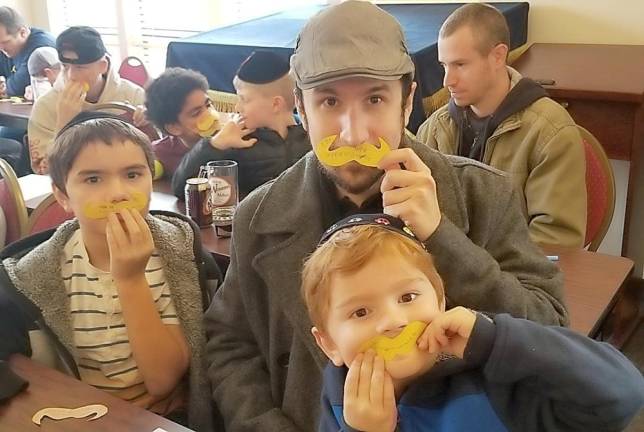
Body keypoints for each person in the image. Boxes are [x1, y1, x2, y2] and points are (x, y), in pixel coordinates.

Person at [204, 2, 568, 430]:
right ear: (300, 106)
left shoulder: (482, 194)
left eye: (375, 99)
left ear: (407, 100)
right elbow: (230, 345)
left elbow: (551, 332)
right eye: (328, 101)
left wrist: (443, 238)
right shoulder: (258, 216)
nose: (354, 133)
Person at [303, 213, 644, 432]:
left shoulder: (493, 380)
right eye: (360, 312)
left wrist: (495, 342)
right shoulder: (341, 406)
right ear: (329, 343)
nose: (394, 322)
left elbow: (622, 395)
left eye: (408, 298)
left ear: (440, 302)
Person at [0, 112, 221, 431]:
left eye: (132, 174)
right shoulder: (33, 275)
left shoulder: (176, 256)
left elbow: (163, 382)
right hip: (78, 415)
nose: (118, 193)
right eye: (93, 179)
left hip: (163, 416)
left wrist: (130, 278)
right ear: (63, 196)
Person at [416, 3, 586, 248]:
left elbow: (556, 243)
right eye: (444, 65)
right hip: (445, 276)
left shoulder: (551, 133)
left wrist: (480, 272)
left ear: (498, 56)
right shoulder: (434, 129)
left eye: (460, 65)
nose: (447, 81)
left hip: (512, 280)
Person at [161, 52, 310, 198]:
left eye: (243, 99)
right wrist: (214, 144)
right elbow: (182, 189)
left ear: (276, 104)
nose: (237, 107)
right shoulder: (237, 141)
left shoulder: (311, 137)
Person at [28, 26, 146, 175]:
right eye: (65, 67)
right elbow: (42, 170)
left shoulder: (132, 94)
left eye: (80, 67)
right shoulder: (46, 105)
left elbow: (155, 154)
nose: (71, 76)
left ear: (103, 66)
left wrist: (147, 119)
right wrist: (64, 123)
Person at [0, 6, 55, 97]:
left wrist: (6, 86)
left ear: (23, 32)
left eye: (5, 42)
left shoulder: (41, 47)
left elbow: (19, 86)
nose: (1, 48)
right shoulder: (4, 48)